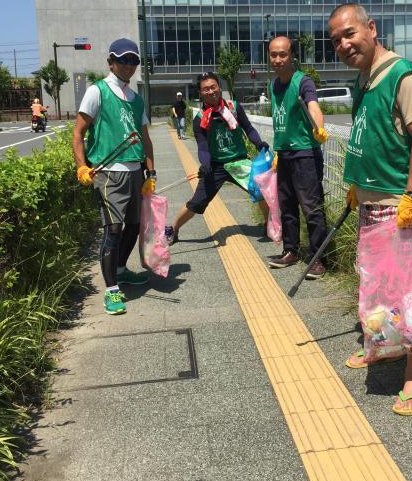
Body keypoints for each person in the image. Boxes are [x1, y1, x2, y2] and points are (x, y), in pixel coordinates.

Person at [328, 3, 412, 416]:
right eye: (336, 39)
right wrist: (357, 186)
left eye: (350, 33)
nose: (343, 43)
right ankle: (380, 345)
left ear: (372, 29)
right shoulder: (364, 80)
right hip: (370, 201)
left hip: (397, 204)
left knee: (409, 291)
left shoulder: (400, 74)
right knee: (374, 285)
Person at [72, 38, 156, 316]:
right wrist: (82, 166)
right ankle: (111, 291)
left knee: (133, 226)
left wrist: (150, 172)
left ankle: (120, 270)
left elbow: (144, 138)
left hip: (135, 172)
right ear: (111, 62)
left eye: (134, 61)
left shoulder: (135, 98)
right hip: (108, 173)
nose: (129, 65)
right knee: (114, 230)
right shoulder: (97, 91)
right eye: (123, 60)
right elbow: (78, 133)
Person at [165, 72, 270, 245]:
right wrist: (205, 164)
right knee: (196, 203)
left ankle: (269, 225)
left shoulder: (234, 107)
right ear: (200, 93)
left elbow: (248, 128)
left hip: (239, 161)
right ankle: (173, 230)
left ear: (219, 88)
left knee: (262, 189)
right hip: (215, 166)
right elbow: (203, 146)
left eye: (213, 87)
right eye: (205, 89)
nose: (210, 91)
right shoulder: (200, 119)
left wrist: (258, 143)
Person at [265, 35, 329, 280]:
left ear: (292, 56)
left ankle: (318, 258)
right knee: (287, 206)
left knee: (311, 208)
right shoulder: (273, 85)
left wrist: (318, 127)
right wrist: (278, 152)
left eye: (283, 54)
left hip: (305, 153)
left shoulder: (303, 81)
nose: (278, 59)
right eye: (274, 55)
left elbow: (313, 106)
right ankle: (290, 250)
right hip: (284, 154)